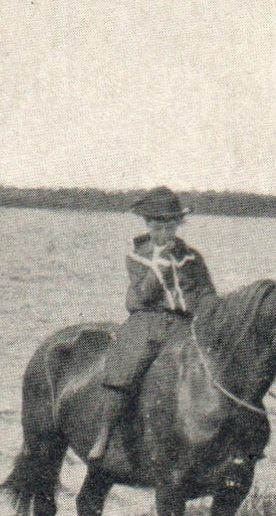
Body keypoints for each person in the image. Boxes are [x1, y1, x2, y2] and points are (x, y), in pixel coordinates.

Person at [87, 186, 216, 462]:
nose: (165, 233)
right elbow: (145, 293)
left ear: (178, 225)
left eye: (171, 226)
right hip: (149, 319)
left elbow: (206, 291)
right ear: (148, 224)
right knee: (128, 363)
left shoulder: (192, 256)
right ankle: (105, 434)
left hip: (186, 321)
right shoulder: (138, 255)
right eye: (158, 226)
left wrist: (209, 311)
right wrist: (162, 260)